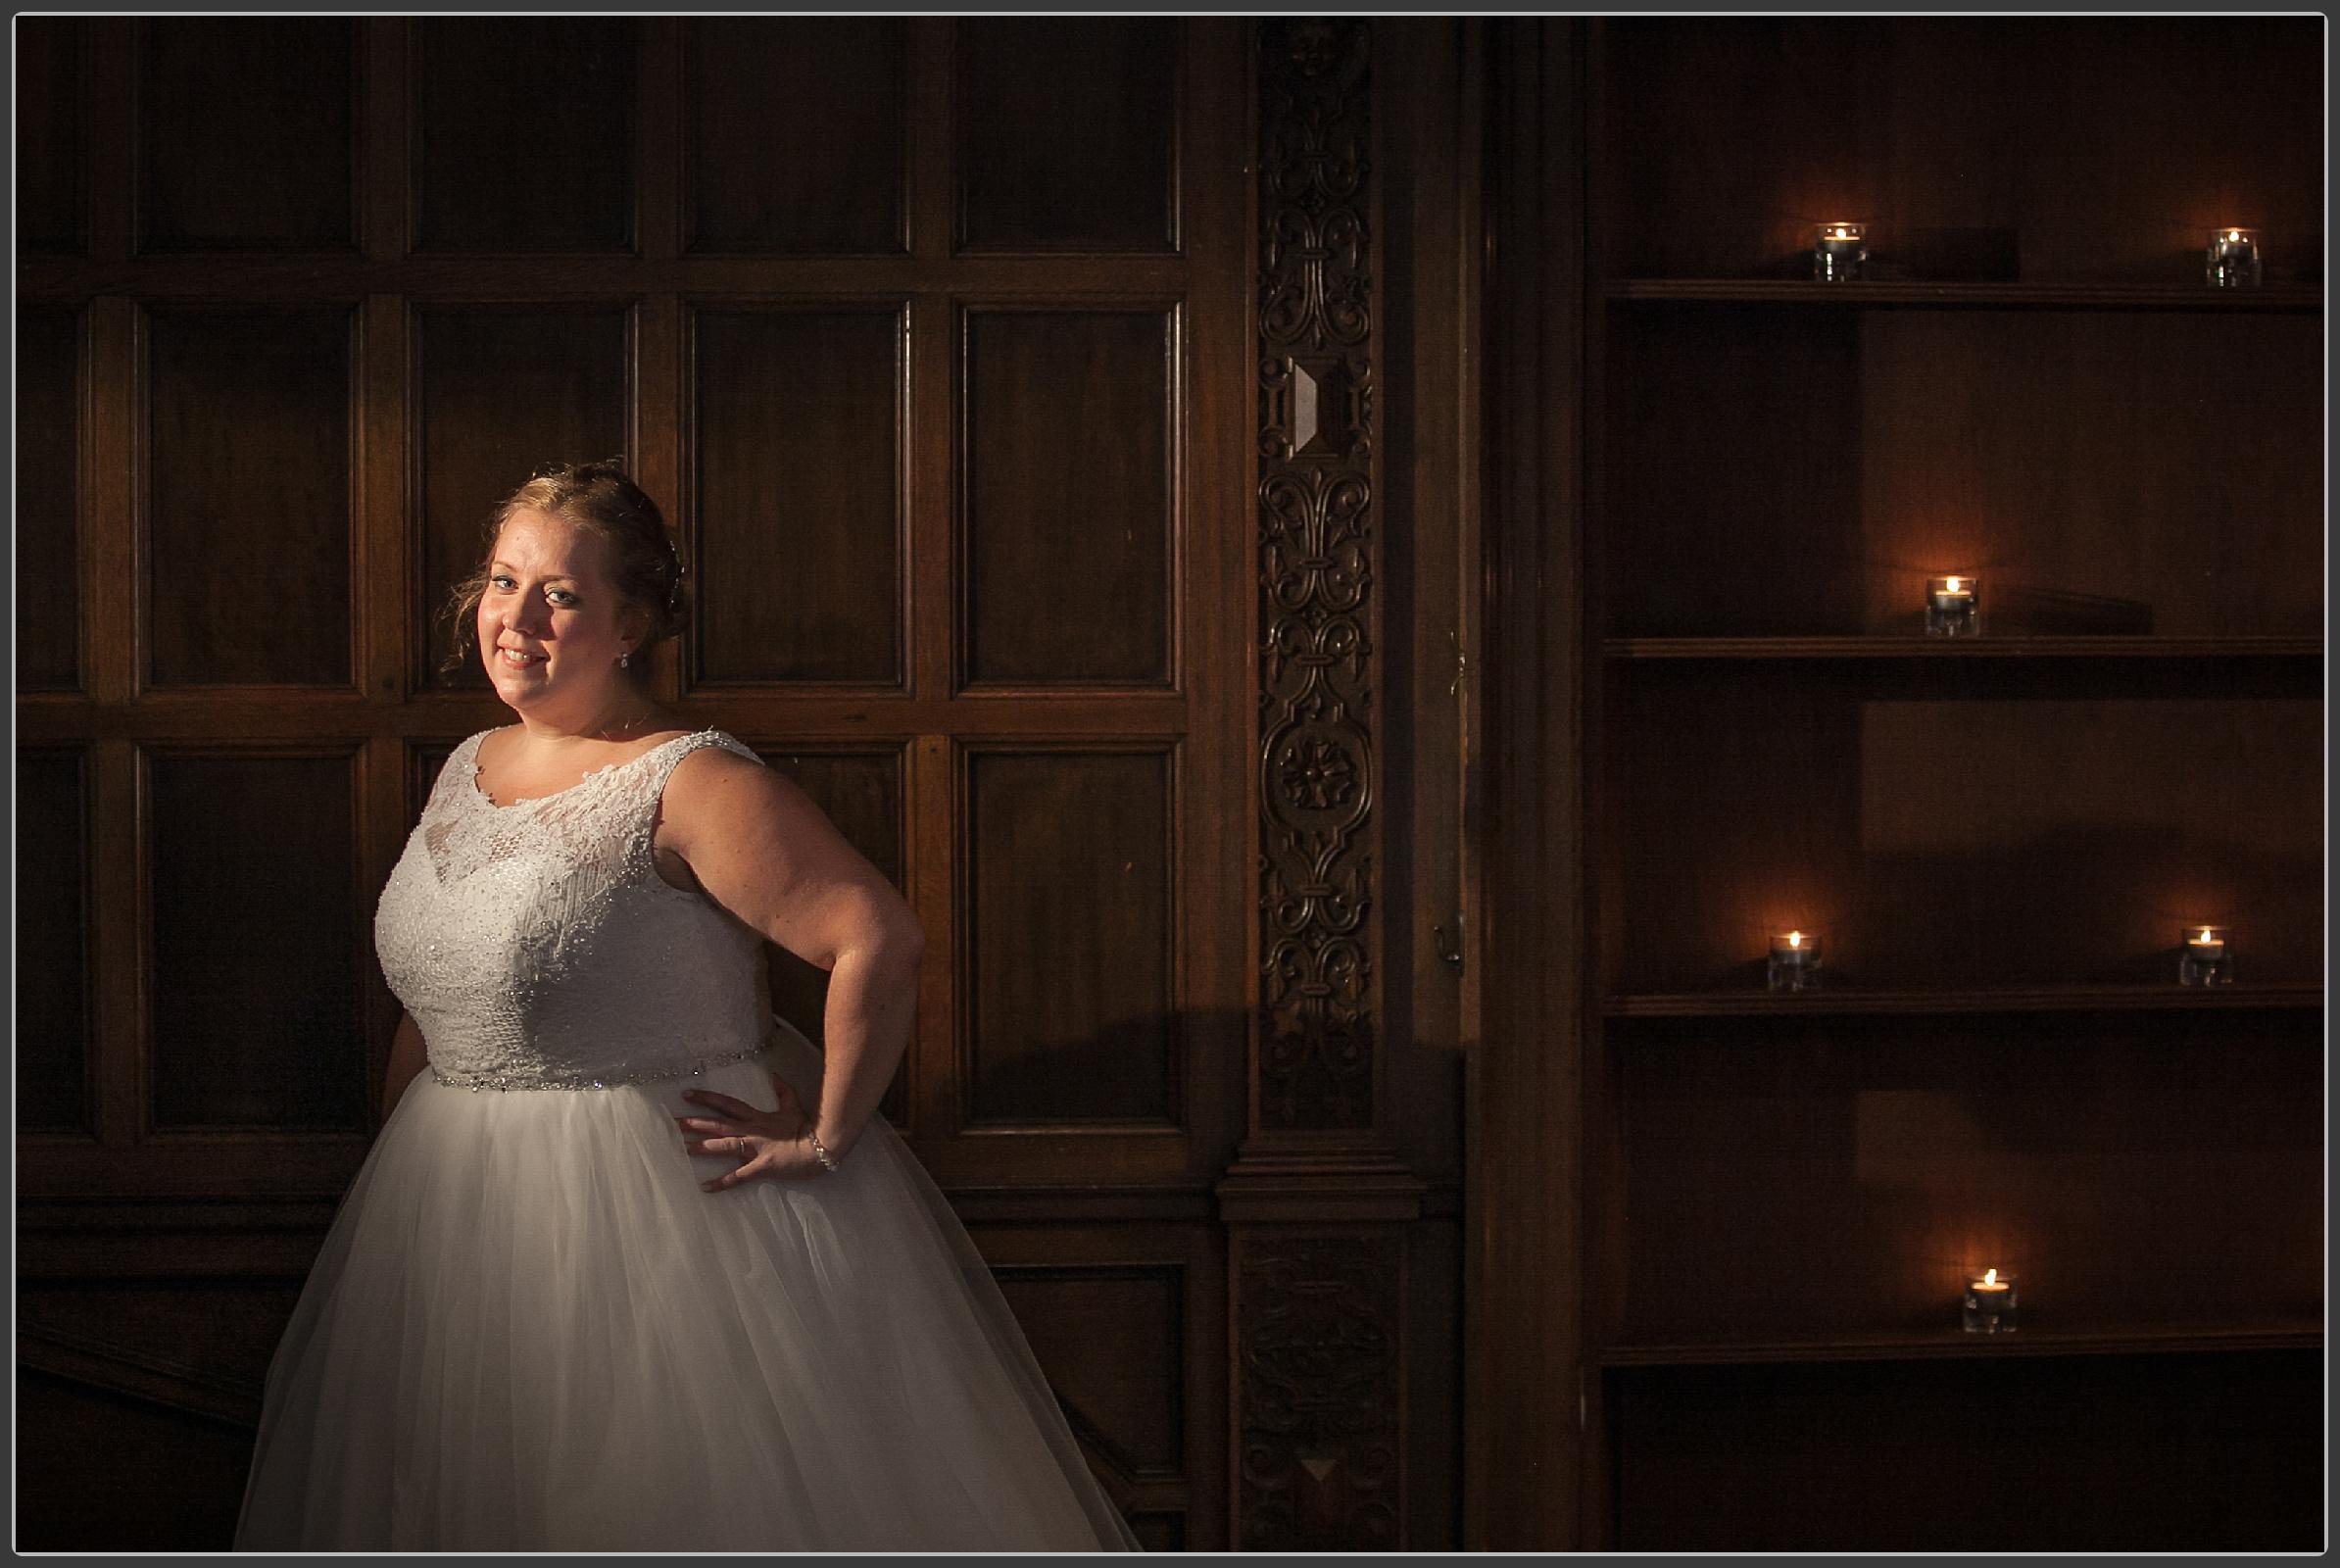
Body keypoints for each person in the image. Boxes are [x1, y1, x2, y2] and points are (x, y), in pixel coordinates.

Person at [234, 461, 1139, 1551]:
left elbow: (876, 938)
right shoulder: (470, 764)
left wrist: (827, 1130)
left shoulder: (691, 780)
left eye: (559, 594)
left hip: (653, 1228)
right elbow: (435, 992)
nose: (515, 619)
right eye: (503, 581)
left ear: (630, 624)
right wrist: (400, 1168)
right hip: (444, 1212)